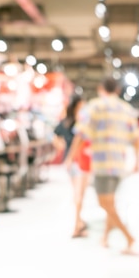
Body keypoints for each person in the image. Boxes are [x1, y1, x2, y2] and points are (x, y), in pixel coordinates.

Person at [66, 78, 139, 254]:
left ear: (101, 88)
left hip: (102, 163)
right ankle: (105, 238)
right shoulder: (127, 109)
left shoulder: (95, 106)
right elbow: (136, 138)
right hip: (119, 164)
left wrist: (70, 157)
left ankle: (129, 238)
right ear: (118, 90)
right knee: (110, 202)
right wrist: (137, 161)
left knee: (105, 204)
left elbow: (81, 134)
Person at [54, 95, 91, 238]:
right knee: (79, 194)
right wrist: (69, 155)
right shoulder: (80, 123)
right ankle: (77, 225)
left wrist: (63, 150)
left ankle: (79, 220)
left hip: (73, 161)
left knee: (78, 193)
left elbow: (55, 136)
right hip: (78, 161)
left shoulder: (67, 122)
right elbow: (77, 140)